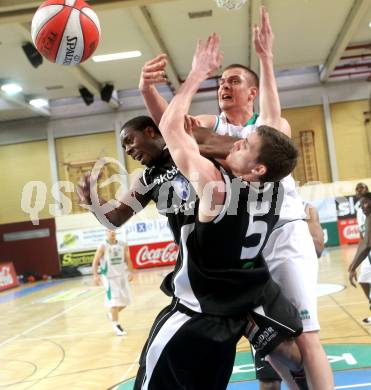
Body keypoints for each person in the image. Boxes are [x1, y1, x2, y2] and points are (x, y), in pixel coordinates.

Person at [138, 7, 333, 390]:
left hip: (279, 236)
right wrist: (150, 93)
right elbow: (175, 128)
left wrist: (261, 59)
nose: (224, 86)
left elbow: (173, 130)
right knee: (276, 345)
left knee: (305, 338)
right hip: (251, 257)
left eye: (233, 80)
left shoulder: (251, 148)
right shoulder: (226, 135)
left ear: (253, 91)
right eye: (221, 81)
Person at [79, 113, 304, 390]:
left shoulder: (193, 146)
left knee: (292, 353)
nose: (127, 149)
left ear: (151, 131)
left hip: (229, 258)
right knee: (284, 355)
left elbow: (237, 147)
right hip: (205, 263)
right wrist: (94, 203)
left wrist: (181, 124)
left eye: (129, 140)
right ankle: (247, 325)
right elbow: (114, 217)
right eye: (123, 146)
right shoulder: (148, 179)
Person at [92, 229, 132, 336]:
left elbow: (127, 259)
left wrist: (131, 272)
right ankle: (116, 326)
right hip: (109, 278)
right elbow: (95, 261)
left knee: (126, 301)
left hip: (122, 276)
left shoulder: (123, 244)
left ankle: (111, 315)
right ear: (106, 232)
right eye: (109, 231)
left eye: (113, 230)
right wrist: (95, 275)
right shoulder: (103, 246)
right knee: (114, 303)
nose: (112, 232)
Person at [349, 191, 371, 325]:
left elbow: (366, 245)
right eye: (361, 204)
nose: (363, 206)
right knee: (363, 279)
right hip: (368, 255)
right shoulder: (366, 216)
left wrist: (352, 267)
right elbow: (364, 242)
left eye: (365, 203)